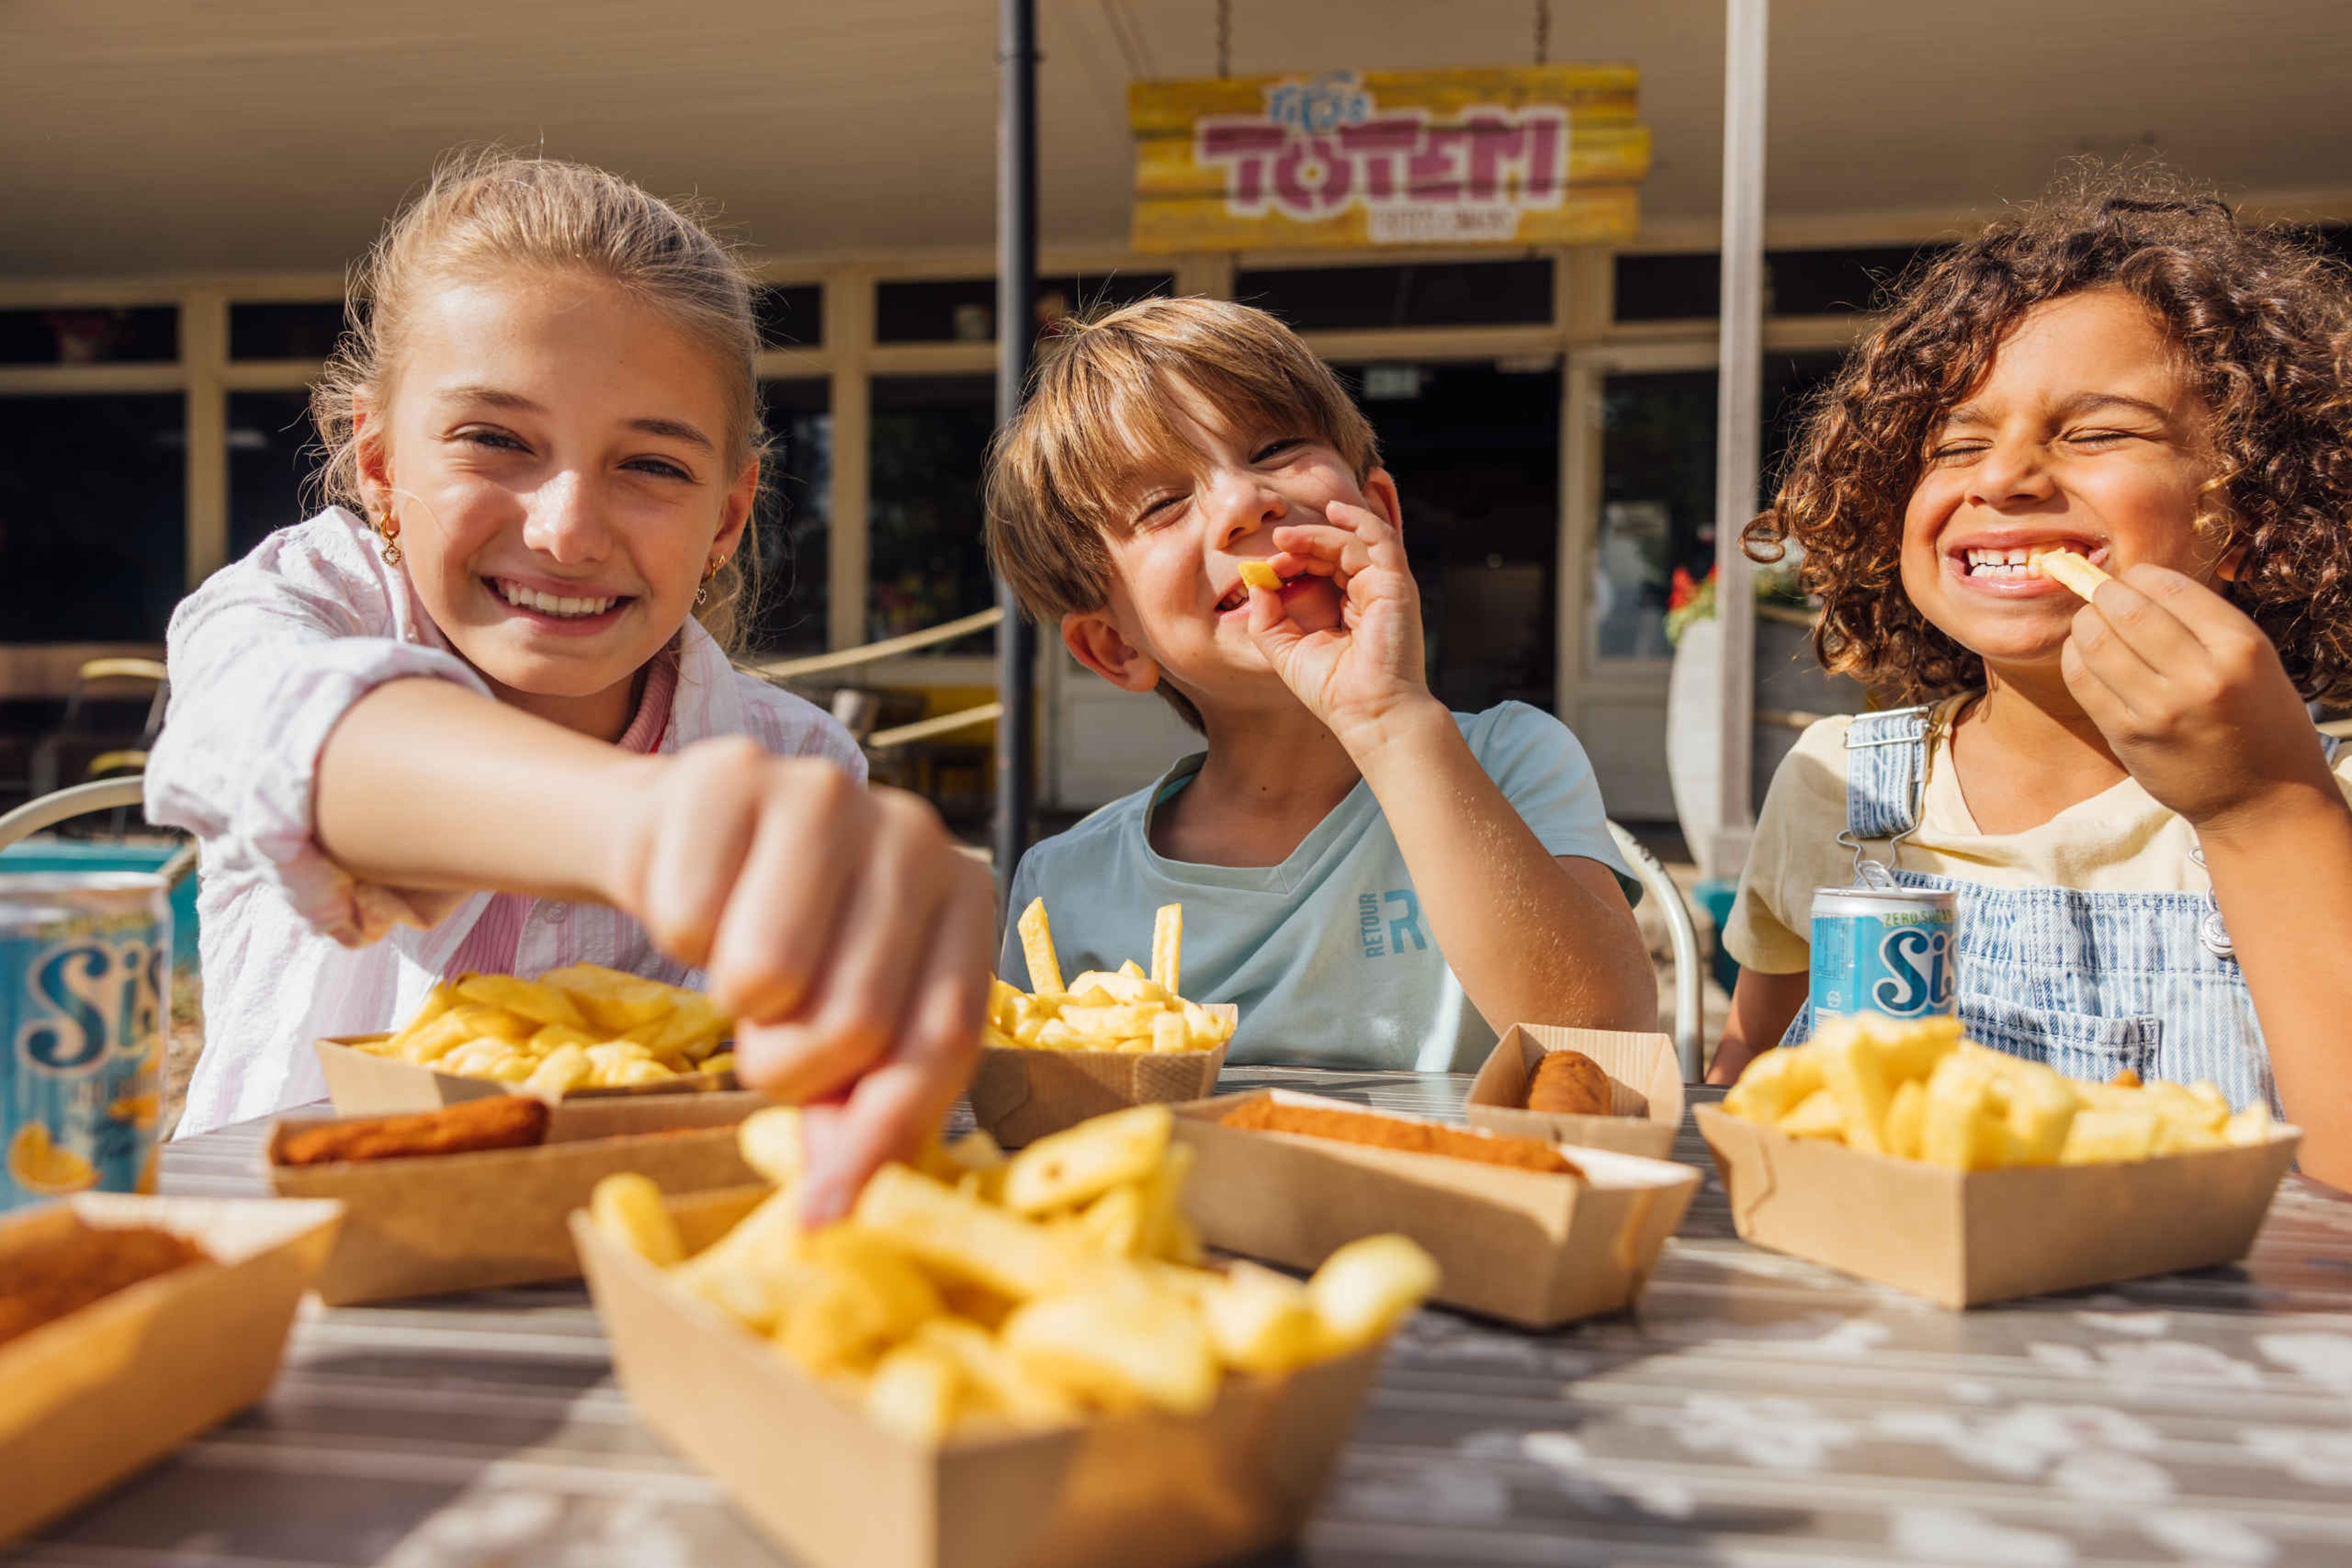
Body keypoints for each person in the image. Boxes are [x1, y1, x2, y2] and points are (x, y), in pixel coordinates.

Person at [146, 152, 992, 1218]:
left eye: (652, 466)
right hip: (267, 1286)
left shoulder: (797, 761)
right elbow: (281, 726)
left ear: (726, 520)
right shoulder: (297, 607)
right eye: (496, 441)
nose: (567, 532)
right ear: (376, 465)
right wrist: (654, 827)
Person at [1712, 167, 2352, 1187]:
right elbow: (1751, 1089)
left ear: (2249, 514)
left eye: (2098, 432)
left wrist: (2260, 805)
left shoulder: (2327, 797)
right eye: (1954, 444)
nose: (2003, 478)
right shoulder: (1840, 786)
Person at [982, 296, 1656, 1070]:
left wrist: (1389, 719)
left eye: (1274, 448)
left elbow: (1610, 1046)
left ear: (1381, 515)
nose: (1245, 501)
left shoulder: (1511, 761)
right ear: (1112, 647)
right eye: (1163, 503)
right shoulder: (1064, 888)